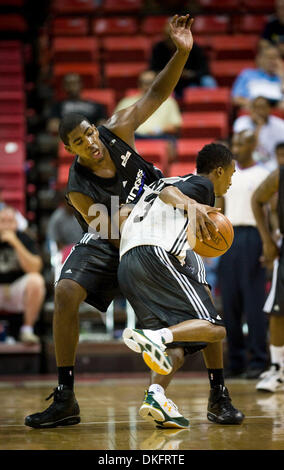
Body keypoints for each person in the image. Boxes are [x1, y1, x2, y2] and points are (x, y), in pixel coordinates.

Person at [24, 13, 207, 429]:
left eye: (90, 133)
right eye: (79, 142)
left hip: (155, 224)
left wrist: (181, 53)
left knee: (187, 293)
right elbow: (103, 228)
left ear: (95, 128)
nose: (90, 143)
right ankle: (66, 395)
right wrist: (122, 217)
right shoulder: (76, 185)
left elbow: (159, 92)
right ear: (70, 149)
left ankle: (210, 390)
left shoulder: (119, 128)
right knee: (66, 290)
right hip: (114, 236)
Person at [118, 142, 244, 427]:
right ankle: (158, 339)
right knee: (215, 327)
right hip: (155, 254)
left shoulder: (173, 182)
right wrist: (191, 204)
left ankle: (156, 397)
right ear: (220, 170)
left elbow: (130, 212)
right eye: (231, 174)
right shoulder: (200, 185)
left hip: (128, 263)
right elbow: (168, 193)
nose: (231, 181)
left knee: (178, 339)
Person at [217, 130, 269, 379]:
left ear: (253, 144)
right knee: (230, 303)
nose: (236, 146)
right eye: (234, 142)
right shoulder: (229, 174)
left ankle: (259, 360)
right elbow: (221, 209)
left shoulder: (263, 174)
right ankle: (236, 361)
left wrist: (270, 243)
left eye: (241, 142)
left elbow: (269, 212)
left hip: (254, 237)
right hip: (229, 238)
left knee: (254, 302)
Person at [251, 142, 284, 392]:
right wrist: (267, 240)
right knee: (277, 310)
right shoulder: (279, 174)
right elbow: (257, 199)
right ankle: (278, 369)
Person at [0, 207, 45, 344]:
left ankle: (27, 330)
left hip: (17, 292)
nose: (7, 225)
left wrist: (15, 243)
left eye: (10, 221)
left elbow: (35, 268)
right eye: (3, 221)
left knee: (36, 281)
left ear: (16, 223)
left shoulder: (25, 238)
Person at [149, 18, 216, 98]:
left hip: (190, 81)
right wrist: (169, 73)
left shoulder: (193, 47)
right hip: (166, 82)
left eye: (172, 37)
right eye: (168, 37)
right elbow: (152, 70)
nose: (171, 40)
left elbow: (205, 70)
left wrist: (189, 74)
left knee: (208, 81)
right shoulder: (158, 48)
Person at [233, 95, 284, 171]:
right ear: (250, 109)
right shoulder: (241, 122)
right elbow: (248, 148)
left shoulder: (280, 124)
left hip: (273, 163)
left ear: (269, 109)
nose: (259, 111)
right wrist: (259, 127)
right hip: (248, 162)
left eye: (263, 108)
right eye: (256, 108)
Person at [231, 45, 284, 110]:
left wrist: (282, 76)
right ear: (259, 59)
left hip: (279, 115)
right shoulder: (248, 75)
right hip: (253, 113)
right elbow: (236, 99)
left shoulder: (282, 77)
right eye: (269, 58)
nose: (272, 61)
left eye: (275, 58)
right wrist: (259, 106)